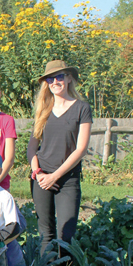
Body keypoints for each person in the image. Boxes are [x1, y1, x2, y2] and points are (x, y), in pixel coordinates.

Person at [27, 60, 93, 254]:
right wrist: (37, 173)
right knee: (45, 235)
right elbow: (32, 149)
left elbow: (80, 149)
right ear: (46, 83)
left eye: (59, 76)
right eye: (50, 78)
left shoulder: (82, 108)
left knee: (65, 237)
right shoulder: (43, 110)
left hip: (67, 180)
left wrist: (54, 176)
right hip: (41, 179)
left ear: (69, 78)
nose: (55, 81)